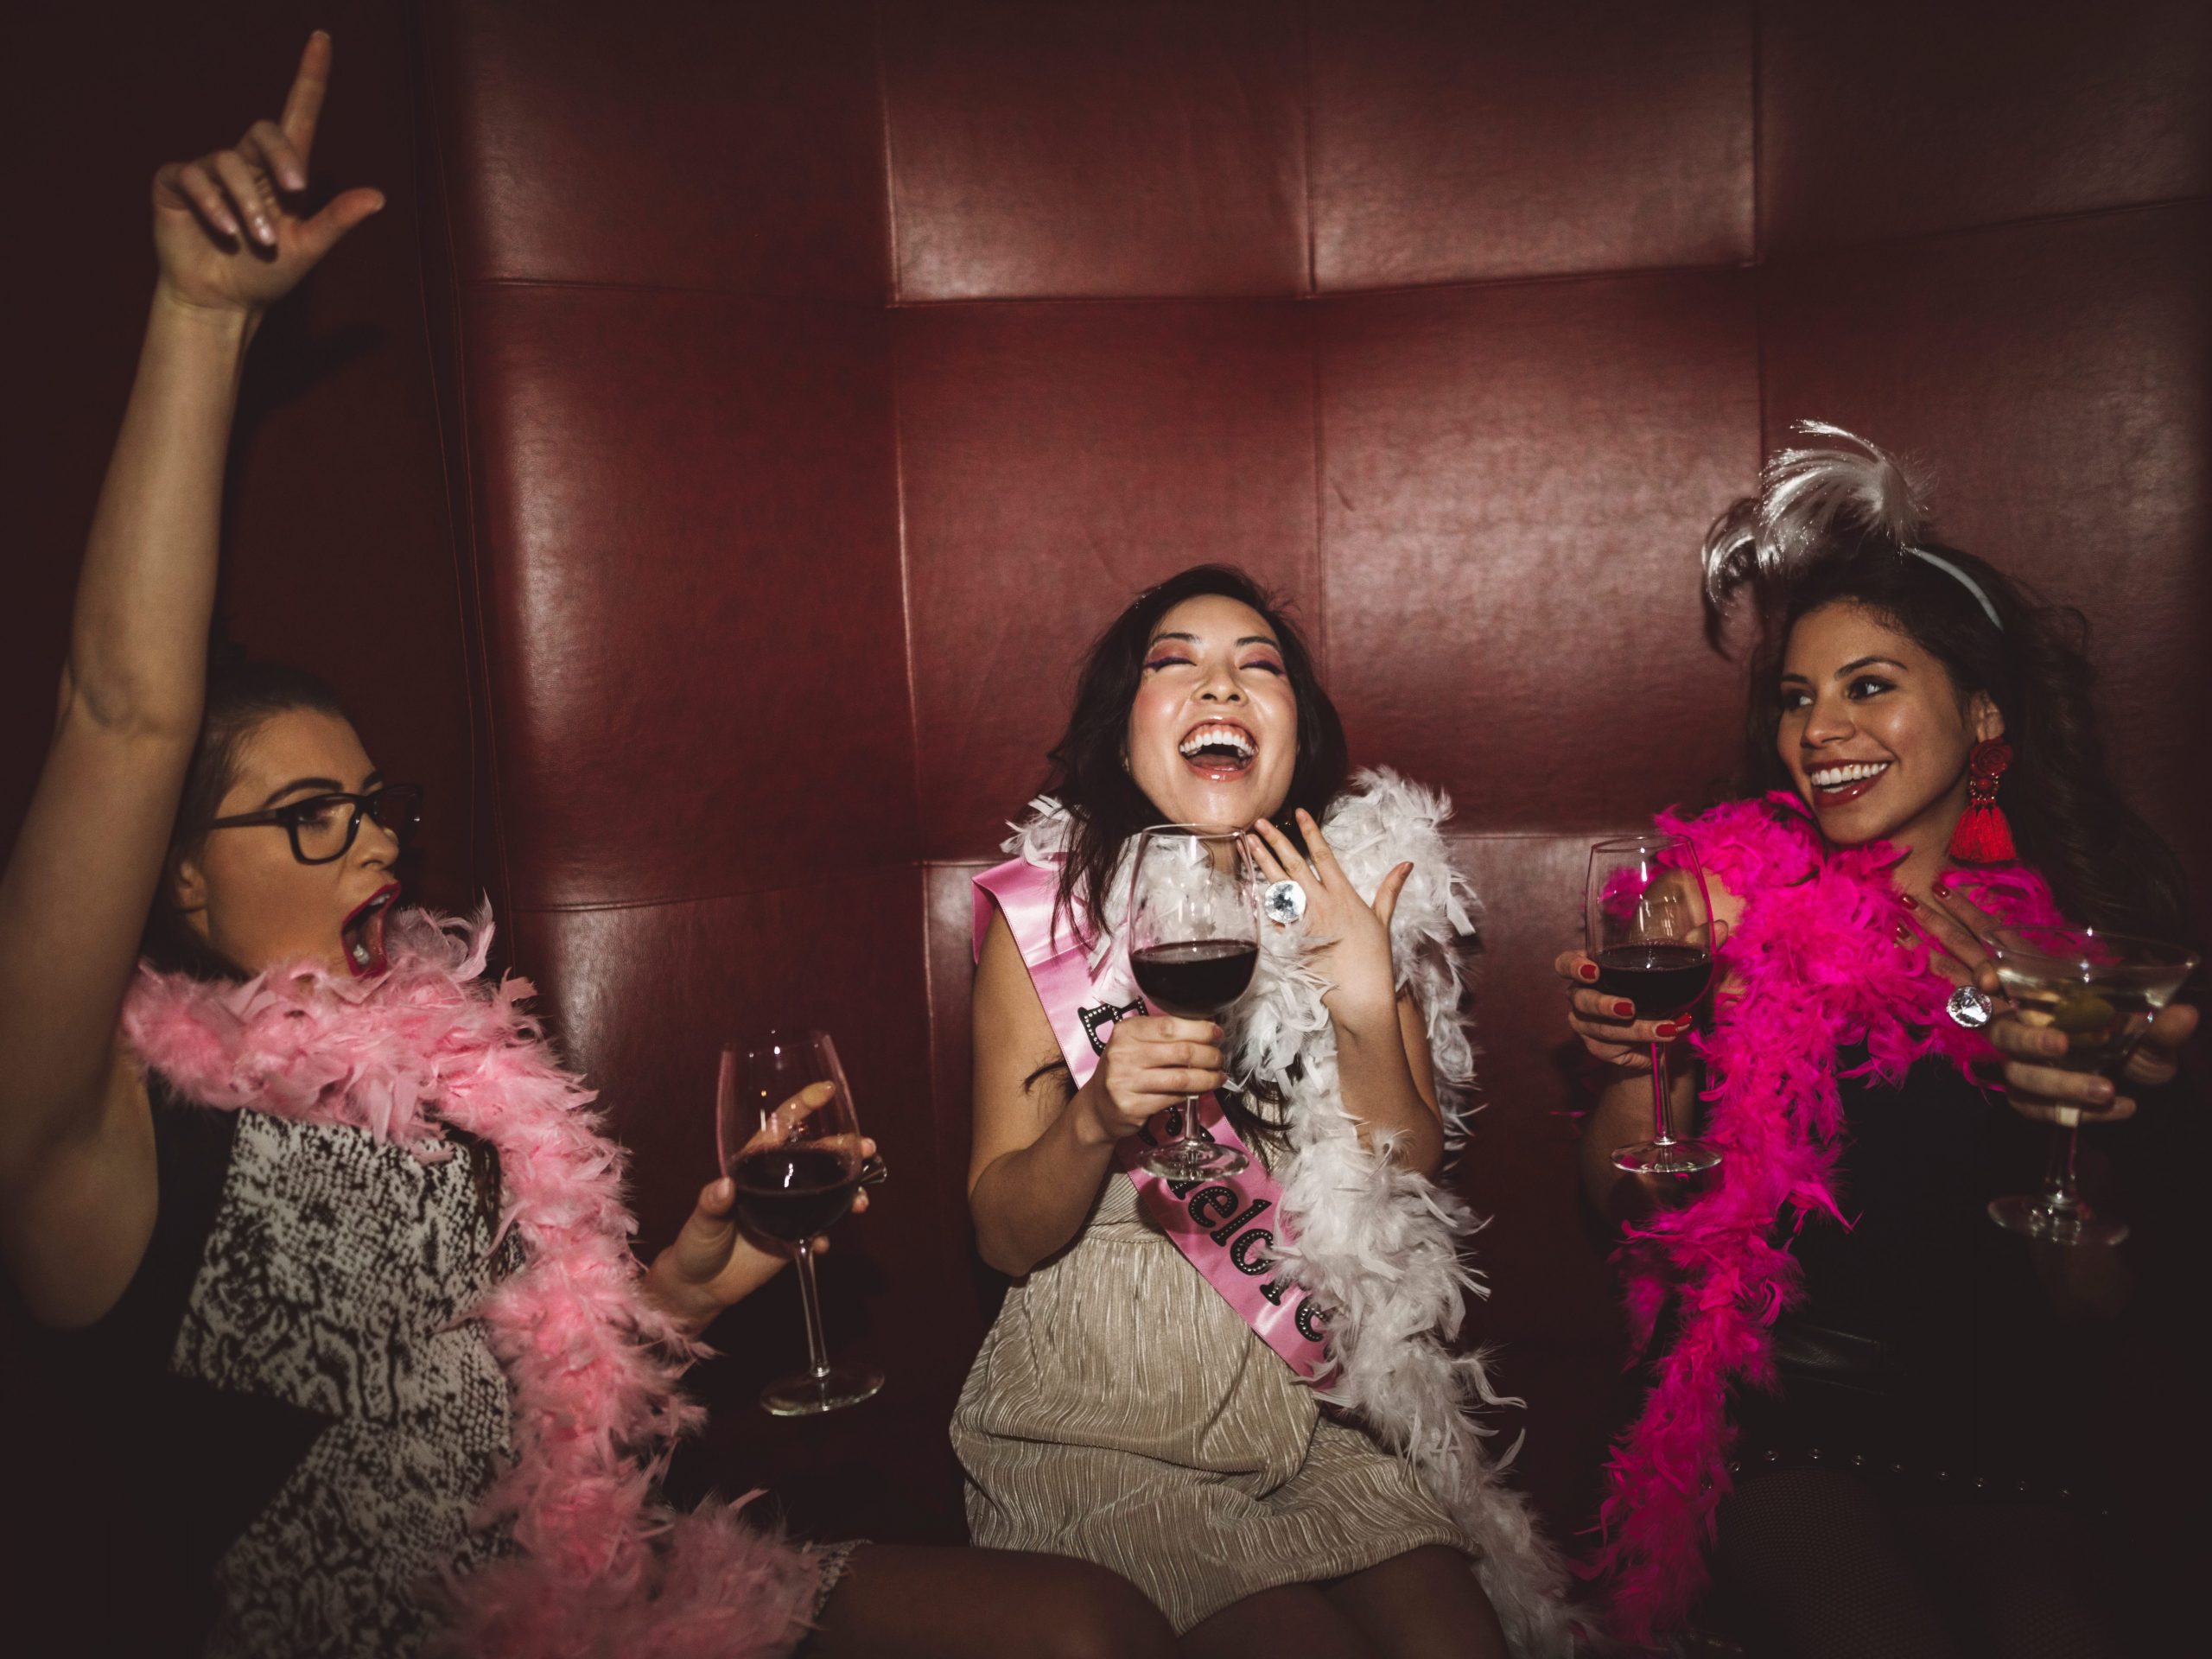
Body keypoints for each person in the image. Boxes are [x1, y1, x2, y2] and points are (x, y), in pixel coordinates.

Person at [0, 33, 1177, 1659]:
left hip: (618, 1594)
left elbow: (522, 1404)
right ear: (175, 874)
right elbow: (121, 713)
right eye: (305, 818)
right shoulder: (74, 1129)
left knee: (1088, 1628)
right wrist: (202, 323)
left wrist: (699, 1277)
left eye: (376, 812)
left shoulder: (434, 1070)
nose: (371, 855)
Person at [1559, 424, 2199, 1656]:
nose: (1821, 730)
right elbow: (1618, 1202)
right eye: (1798, 696)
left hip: (2002, 1416)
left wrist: (2083, 1121)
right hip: (1773, 1406)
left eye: (1871, 686)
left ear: (1984, 712)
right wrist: (1664, 1046)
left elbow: (2097, 1306)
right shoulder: (1714, 904)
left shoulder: (2080, 956)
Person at [954, 564, 1573, 1657]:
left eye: (1258, 668)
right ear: (1125, 728)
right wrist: (1097, 1122)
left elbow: (1406, 1161)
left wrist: (1363, 1001)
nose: (1221, 689)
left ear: (1297, 732)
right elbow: (1002, 1236)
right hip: (1103, 1420)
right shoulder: (1043, 919)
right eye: (1175, 664)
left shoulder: (1354, 891)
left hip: (1315, 1420)